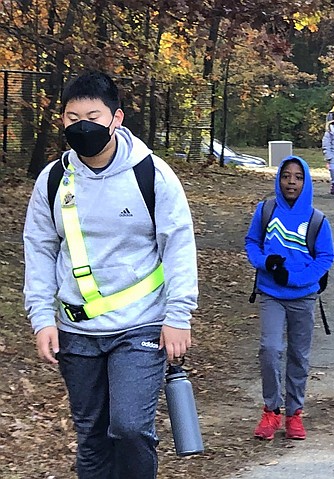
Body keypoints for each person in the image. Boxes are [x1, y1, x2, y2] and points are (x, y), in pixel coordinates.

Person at [22, 70, 198, 478]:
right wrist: (41, 319)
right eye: (72, 116)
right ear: (62, 120)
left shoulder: (152, 174)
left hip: (141, 326)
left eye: (94, 116)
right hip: (77, 330)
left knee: (130, 428)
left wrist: (178, 316)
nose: (82, 125)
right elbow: (40, 250)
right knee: (92, 435)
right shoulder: (52, 181)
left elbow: (179, 246)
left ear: (116, 119)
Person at [245, 156, 334, 440]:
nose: (291, 182)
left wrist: (295, 278)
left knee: (298, 355)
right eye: (286, 176)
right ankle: (271, 411)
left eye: (298, 177)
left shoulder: (317, 219)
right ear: (279, 179)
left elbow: (325, 258)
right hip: (271, 294)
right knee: (270, 349)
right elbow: (251, 243)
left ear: (306, 181)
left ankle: (294, 414)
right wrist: (264, 263)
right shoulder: (266, 210)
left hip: (303, 297)